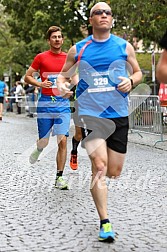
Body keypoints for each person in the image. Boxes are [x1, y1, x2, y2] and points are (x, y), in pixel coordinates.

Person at [57, 2, 142, 242]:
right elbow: (63, 76)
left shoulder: (124, 47)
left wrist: (131, 81)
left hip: (117, 114)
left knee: (113, 171)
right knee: (100, 166)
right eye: (98, 12)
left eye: (107, 13)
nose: (103, 15)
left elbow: (137, 72)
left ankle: (102, 189)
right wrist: (63, 86)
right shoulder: (79, 49)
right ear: (91, 20)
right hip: (90, 113)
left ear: (111, 19)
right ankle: (105, 221)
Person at [24, 26, 77, 190]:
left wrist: (70, 88)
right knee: (44, 141)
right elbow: (27, 76)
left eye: (60, 37)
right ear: (49, 40)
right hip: (45, 103)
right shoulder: (41, 57)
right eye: (54, 37)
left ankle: (59, 177)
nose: (57, 39)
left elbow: (75, 76)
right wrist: (39, 83)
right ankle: (39, 148)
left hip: (62, 104)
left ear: (62, 39)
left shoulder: (68, 58)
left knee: (62, 140)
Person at [70, 86, 83, 170]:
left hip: (95, 104)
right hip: (79, 104)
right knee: (79, 135)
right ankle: (74, 152)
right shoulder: (78, 74)